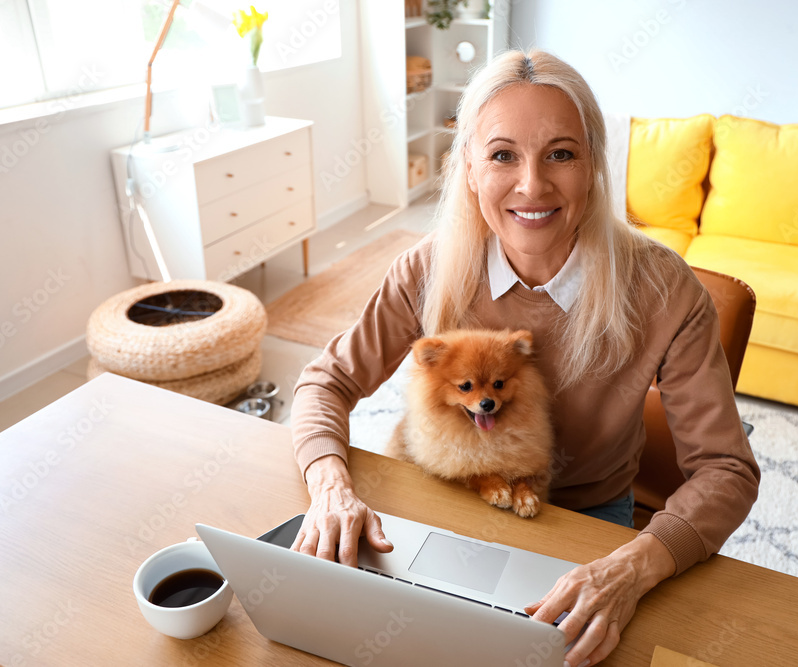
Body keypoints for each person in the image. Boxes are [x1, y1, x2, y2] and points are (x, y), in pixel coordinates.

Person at [288, 49, 760, 666]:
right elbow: (326, 382)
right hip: (449, 493)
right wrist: (330, 488)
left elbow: (727, 469)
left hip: (587, 516)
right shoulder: (427, 269)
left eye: (561, 153)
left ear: (593, 163)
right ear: (469, 167)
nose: (532, 185)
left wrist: (632, 566)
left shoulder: (663, 289)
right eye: (503, 155)